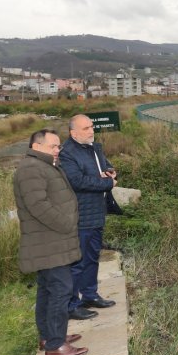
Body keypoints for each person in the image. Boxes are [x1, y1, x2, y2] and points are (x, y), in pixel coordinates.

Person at [14, 129, 89, 355]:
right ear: (37, 146)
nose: (58, 150)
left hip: (51, 241)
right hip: (49, 241)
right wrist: (66, 223)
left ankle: (49, 336)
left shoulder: (43, 165)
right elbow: (38, 206)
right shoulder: (30, 169)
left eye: (59, 146)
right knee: (60, 290)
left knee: (48, 290)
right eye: (53, 146)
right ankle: (56, 345)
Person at [59, 114, 118, 320]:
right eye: (85, 128)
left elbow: (103, 166)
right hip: (80, 215)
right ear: (73, 133)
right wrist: (107, 184)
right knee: (78, 261)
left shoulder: (93, 147)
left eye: (92, 127)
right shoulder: (67, 154)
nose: (91, 131)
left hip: (96, 212)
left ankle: (90, 295)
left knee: (93, 257)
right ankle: (72, 304)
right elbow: (77, 181)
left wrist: (109, 171)